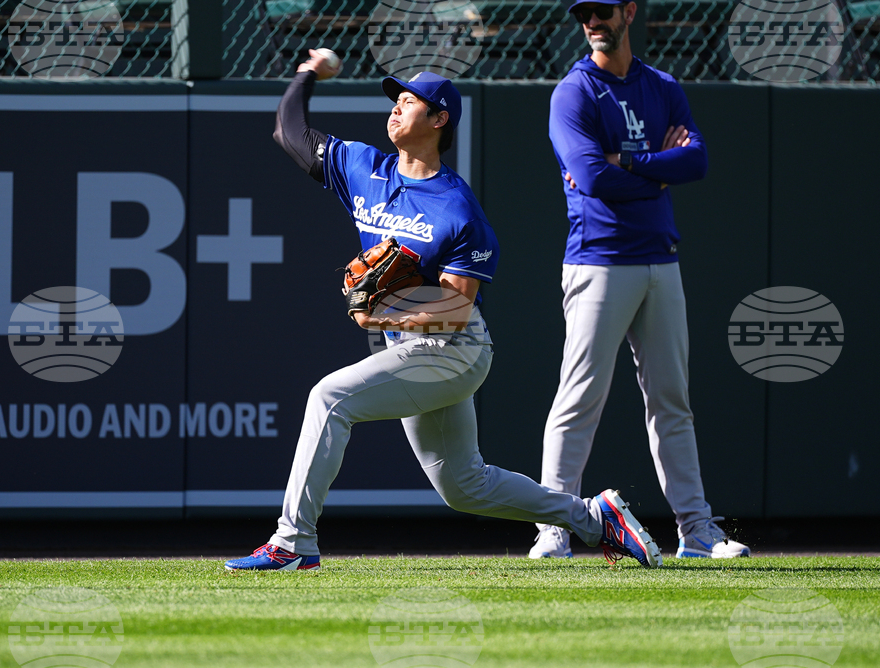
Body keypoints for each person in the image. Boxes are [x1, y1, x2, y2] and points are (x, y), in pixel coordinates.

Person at [225, 50, 663, 571]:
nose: (396, 109)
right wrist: (307, 73)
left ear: (439, 119)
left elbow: (454, 308)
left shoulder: (457, 209)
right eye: (395, 100)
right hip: (409, 346)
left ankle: (291, 542)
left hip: (454, 349)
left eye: (410, 102)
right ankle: (596, 517)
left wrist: (379, 315)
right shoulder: (365, 168)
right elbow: (290, 133)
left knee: (329, 398)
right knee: (465, 486)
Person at [530, 1, 750, 560]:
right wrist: (656, 168)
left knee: (672, 400)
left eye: (604, 11)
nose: (593, 22)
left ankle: (697, 531)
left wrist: (631, 163)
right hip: (599, 261)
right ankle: (554, 526)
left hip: (660, 259)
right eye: (586, 14)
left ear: (629, 11)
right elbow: (589, 175)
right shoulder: (573, 91)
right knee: (579, 397)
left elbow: (696, 162)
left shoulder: (662, 85)